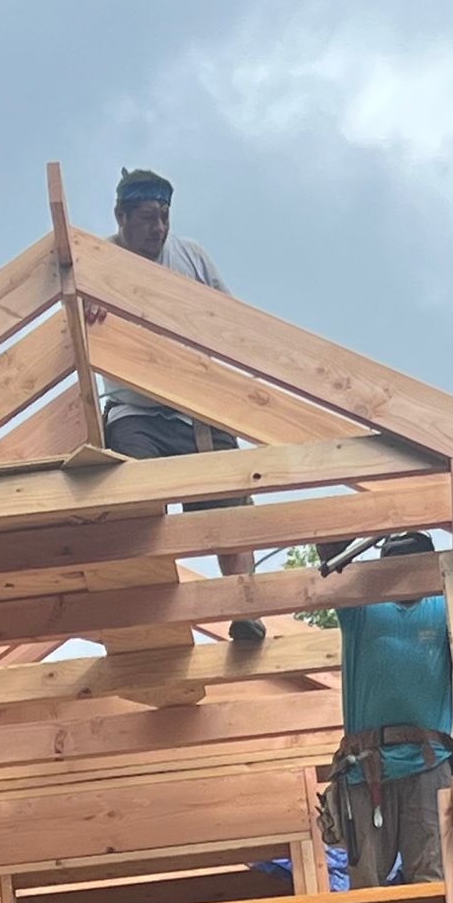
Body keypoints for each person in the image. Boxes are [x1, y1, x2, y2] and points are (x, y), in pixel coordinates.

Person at [98, 167, 264, 641]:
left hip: (197, 410)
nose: (159, 228)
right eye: (148, 217)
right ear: (121, 216)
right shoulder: (100, 259)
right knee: (136, 498)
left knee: (230, 506)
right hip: (136, 410)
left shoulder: (190, 257)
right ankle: (152, 607)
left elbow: (232, 320)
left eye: (165, 217)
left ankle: (243, 606)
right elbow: (63, 291)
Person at [320, 532, 453, 887]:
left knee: (434, 885)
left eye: (416, 564)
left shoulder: (446, 608)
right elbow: (330, 556)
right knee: (366, 891)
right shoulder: (363, 608)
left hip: (429, 764)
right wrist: (369, 519)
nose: (407, 574)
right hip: (366, 768)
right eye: (397, 565)